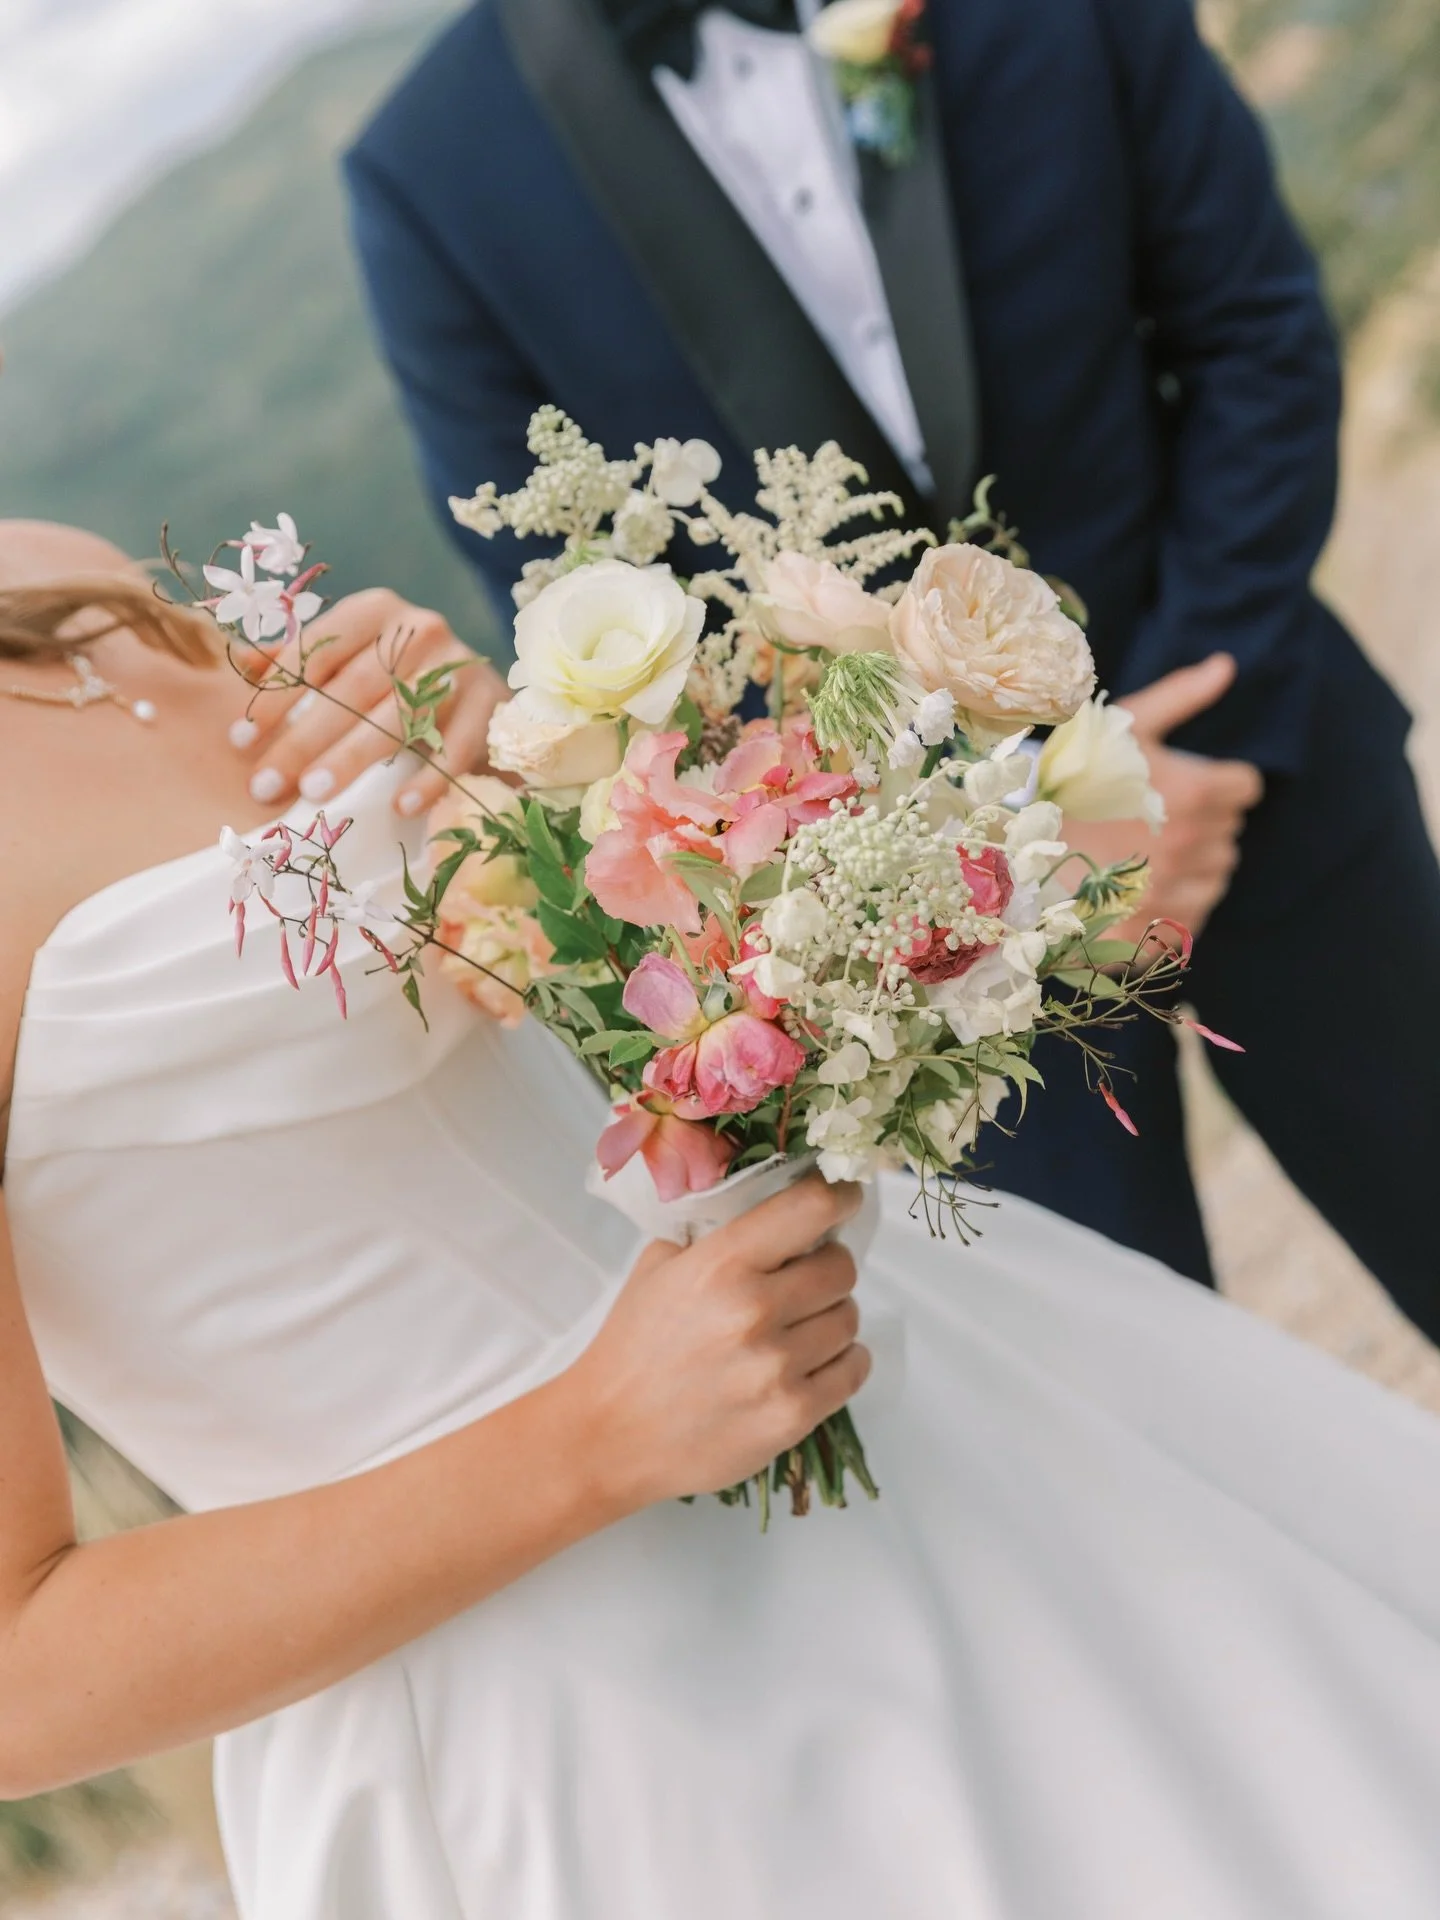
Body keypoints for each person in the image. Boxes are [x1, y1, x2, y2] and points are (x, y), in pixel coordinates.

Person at [5, 522, 1440, 1918]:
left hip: (898, 1373)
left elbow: (496, 979)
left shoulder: (55, 573)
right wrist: (596, 1434)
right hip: (580, 1710)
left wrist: (496, 759)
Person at [343, 0, 1440, 1337]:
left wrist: (1174, 756)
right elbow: (588, 623)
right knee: (1134, 1453)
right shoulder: (431, 168)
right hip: (923, 961)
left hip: (1254, 761)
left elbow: (1254, 333)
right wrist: (995, 857)